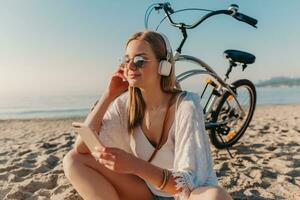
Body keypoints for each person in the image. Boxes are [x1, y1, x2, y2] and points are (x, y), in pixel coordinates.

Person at [63, 30, 232, 200]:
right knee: (73, 160)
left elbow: (187, 185)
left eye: (140, 60)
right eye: (126, 60)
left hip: (183, 196)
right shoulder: (124, 104)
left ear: (164, 66)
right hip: (146, 193)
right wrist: (108, 95)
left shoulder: (186, 105)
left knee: (216, 196)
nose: (130, 67)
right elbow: (82, 148)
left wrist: (135, 165)